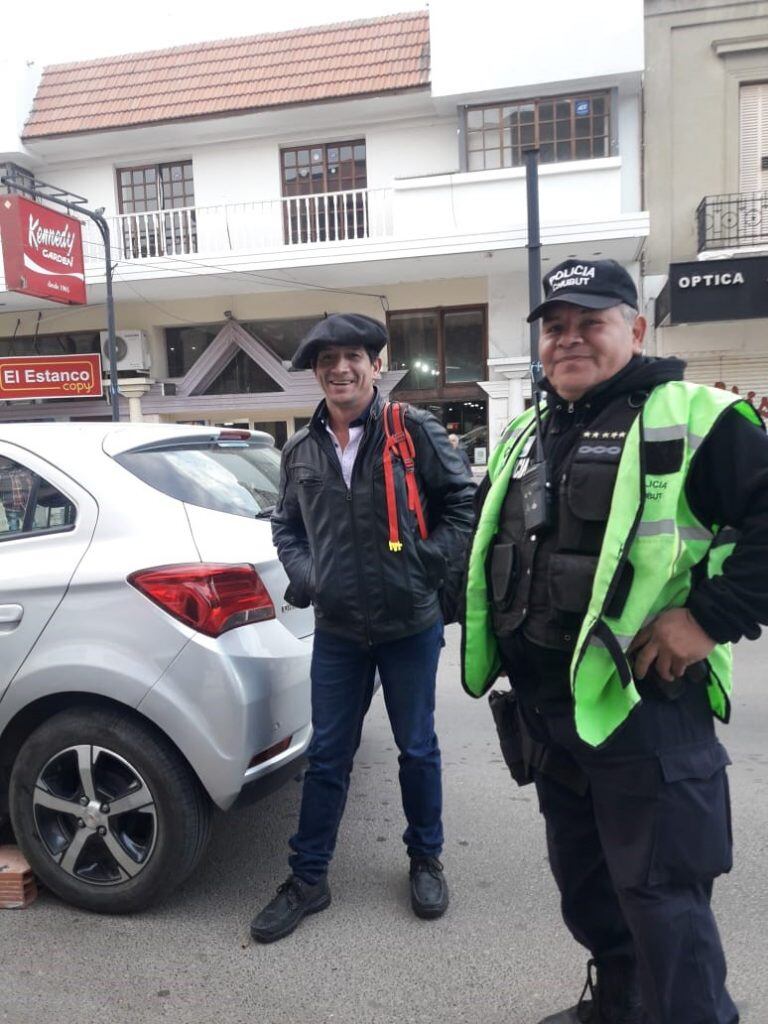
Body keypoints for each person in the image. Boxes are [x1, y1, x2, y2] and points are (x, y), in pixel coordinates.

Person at [461, 258, 768, 1023]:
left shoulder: (696, 416)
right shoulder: (531, 431)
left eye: (589, 323)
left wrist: (706, 619)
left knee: (664, 904)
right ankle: (618, 1005)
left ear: (634, 329)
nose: (569, 340)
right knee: (591, 890)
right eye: (555, 327)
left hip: (647, 713)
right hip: (554, 718)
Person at [251, 313, 475, 943]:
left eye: (352, 356)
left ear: (376, 365)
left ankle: (425, 858)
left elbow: (463, 507)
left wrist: (424, 569)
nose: (339, 369)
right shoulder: (300, 450)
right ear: (315, 373)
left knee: (417, 748)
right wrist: (309, 573)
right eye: (327, 361)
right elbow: (286, 526)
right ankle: (308, 877)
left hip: (409, 624)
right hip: (341, 631)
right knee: (327, 756)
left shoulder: (413, 430)